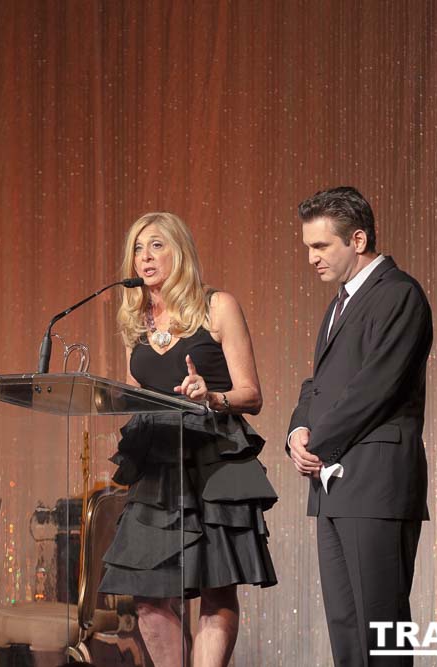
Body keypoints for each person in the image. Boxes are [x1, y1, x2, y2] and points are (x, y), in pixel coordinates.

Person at [99, 212, 277, 667]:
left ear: (179, 251)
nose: (145, 257)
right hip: (158, 466)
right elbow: (134, 390)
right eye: (138, 249)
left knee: (215, 591)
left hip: (213, 459)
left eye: (156, 245)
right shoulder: (133, 320)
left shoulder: (217, 306)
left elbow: (251, 395)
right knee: (148, 601)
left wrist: (212, 395)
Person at [286, 187, 432, 666]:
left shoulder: (398, 295)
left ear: (359, 239)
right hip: (334, 486)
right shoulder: (339, 304)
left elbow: (376, 386)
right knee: (347, 635)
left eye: (321, 246)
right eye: (308, 247)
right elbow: (318, 384)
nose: (311, 258)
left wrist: (319, 443)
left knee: (380, 630)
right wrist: (297, 432)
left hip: (375, 483)